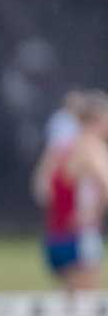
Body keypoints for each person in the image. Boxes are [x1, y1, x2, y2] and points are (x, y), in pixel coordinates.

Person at [34, 90, 108, 291]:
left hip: (55, 236)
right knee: (86, 310)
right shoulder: (93, 149)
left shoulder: (61, 149)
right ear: (99, 119)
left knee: (70, 308)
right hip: (81, 236)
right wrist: (93, 213)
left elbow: (42, 190)